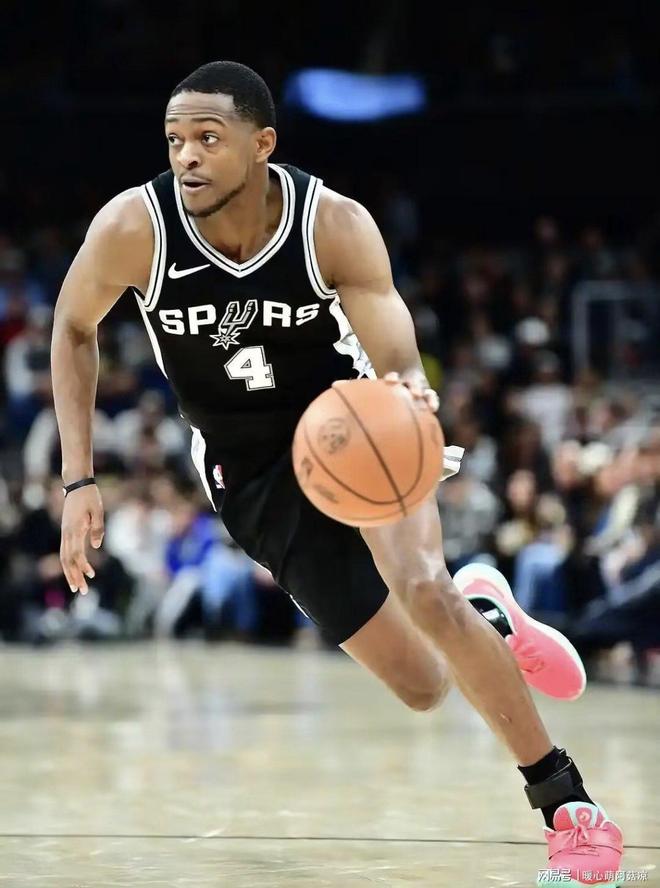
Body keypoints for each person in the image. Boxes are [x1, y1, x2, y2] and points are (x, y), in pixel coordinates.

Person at [50, 61, 623, 884]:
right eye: (175, 140)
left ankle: (567, 806)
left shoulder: (333, 224)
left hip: (355, 426)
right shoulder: (134, 228)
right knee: (423, 685)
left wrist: (410, 392)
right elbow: (73, 327)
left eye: (208, 137)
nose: (188, 157)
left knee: (425, 589)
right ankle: (491, 618)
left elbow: (395, 350)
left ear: (263, 143)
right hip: (249, 470)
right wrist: (79, 479)